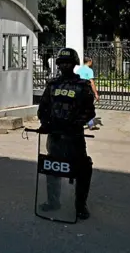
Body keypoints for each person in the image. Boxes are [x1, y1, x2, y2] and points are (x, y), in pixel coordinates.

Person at [37, 47, 95, 219]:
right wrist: (46, 124)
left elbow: (89, 111)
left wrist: (74, 125)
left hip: (74, 137)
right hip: (54, 136)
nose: (65, 65)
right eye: (62, 62)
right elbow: (43, 108)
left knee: (83, 169)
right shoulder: (52, 85)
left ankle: (80, 205)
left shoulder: (82, 86)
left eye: (68, 62)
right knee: (52, 167)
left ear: (74, 64)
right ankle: (53, 201)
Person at [76, 57, 99, 130]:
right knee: (89, 107)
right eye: (91, 61)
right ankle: (90, 124)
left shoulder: (79, 70)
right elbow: (92, 83)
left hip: (78, 91)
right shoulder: (89, 70)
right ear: (89, 62)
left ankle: (78, 123)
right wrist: (96, 93)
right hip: (87, 91)